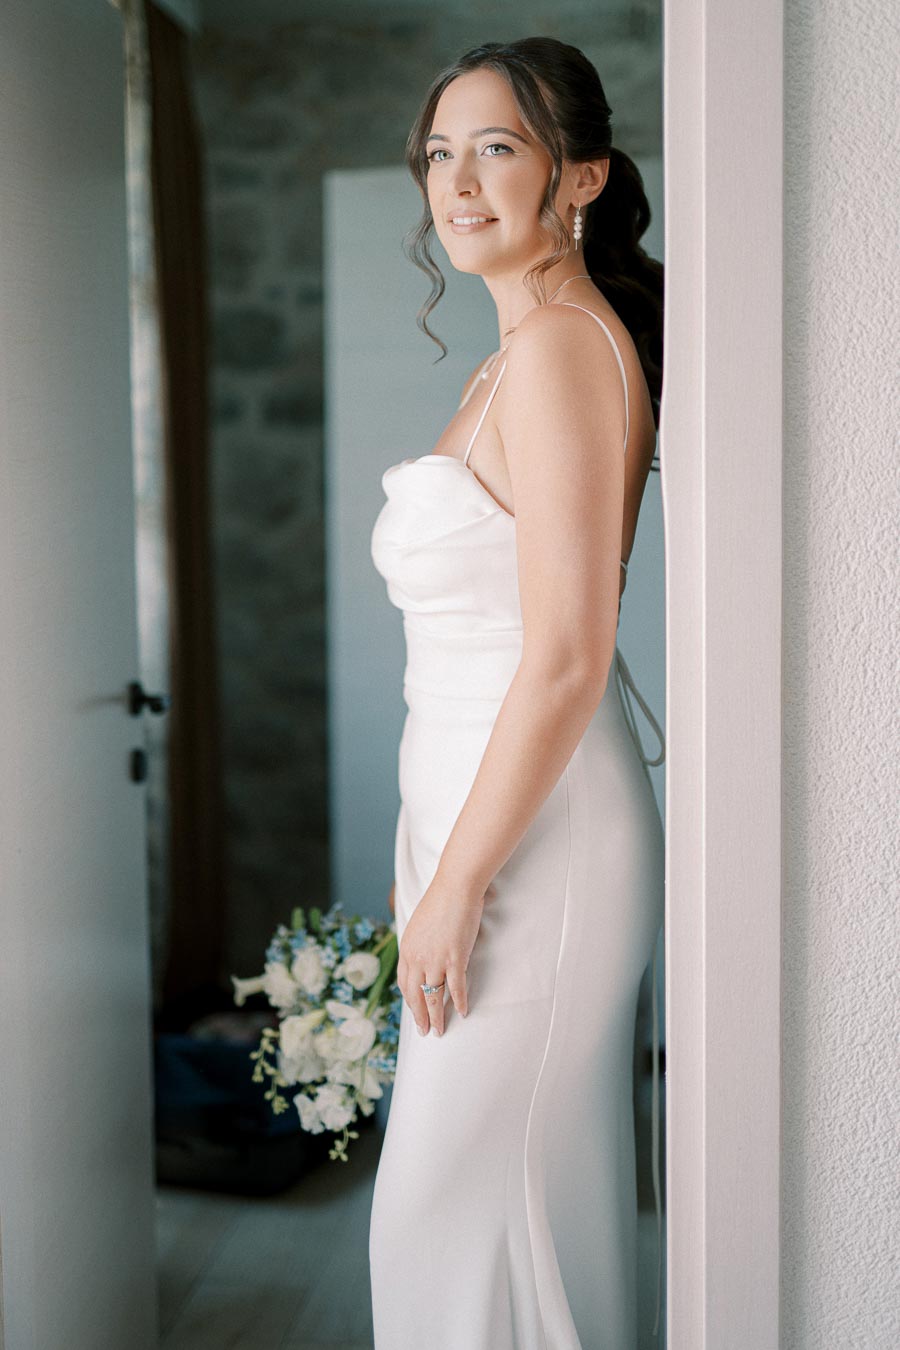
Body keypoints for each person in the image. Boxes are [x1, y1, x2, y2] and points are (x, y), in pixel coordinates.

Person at [368, 36, 666, 1350]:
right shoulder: (519, 353)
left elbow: (562, 656)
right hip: (487, 826)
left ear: (581, 176)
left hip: (535, 848)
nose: (458, 181)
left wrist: (459, 880)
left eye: (496, 147)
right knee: (479, 1211)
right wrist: (434, 860)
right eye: (440, 152)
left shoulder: (555, 348)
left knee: (440, 1215)